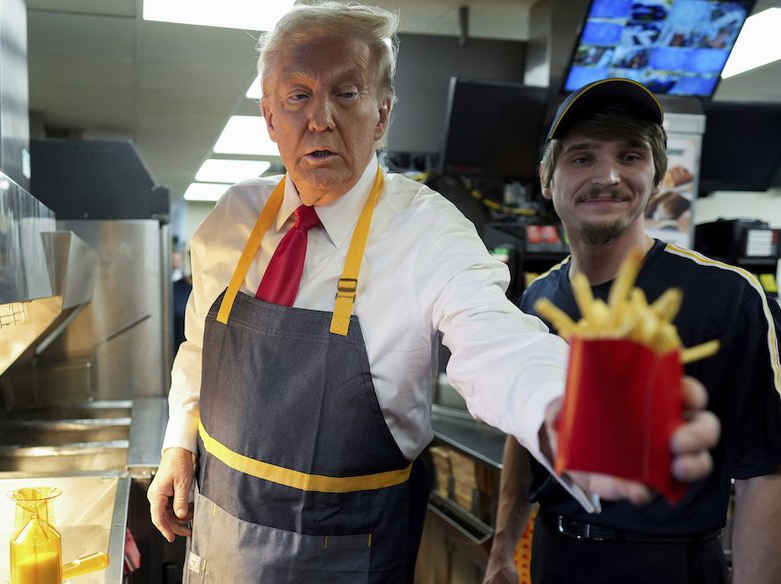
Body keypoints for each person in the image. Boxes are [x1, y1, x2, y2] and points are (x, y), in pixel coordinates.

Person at [147, 5, 718, 582]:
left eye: (346, 93)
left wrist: (574, 409)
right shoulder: (230, 220)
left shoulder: (427, 231)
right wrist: (180, 443)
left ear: (382, 114)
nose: (319, 117)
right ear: (269, 117)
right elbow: (199, 349)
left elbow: (497, 340)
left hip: (348, 558)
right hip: (217, 545)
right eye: (297, 96)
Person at [482, 78, 781, 584]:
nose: (608, 176)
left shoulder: (728, 296)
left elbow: (764, 472)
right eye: (582, 158)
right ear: (546, 178)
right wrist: (502, 549)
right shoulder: (539, 299)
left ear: (658, 178)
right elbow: (524, 436)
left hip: (669, 564)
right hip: (558, 556)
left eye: (630, 156)